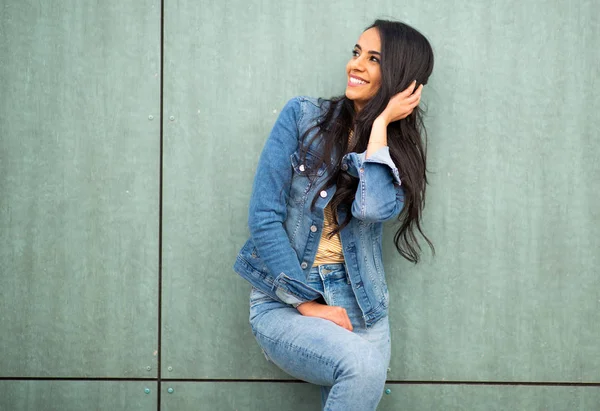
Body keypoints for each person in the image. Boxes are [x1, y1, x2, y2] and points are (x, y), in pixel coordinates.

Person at [234, 19, 434, 411]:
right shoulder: (302, 116)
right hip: (285, 297)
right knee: (361, 368)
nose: (355, 65)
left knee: (359, 379)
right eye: (356, 52)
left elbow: (372, 208)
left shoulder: (396, 153)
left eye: (373, 59)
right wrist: (306, 303)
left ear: (399, 77)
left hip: (362, 302)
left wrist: (378, 127)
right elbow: (263, 216)